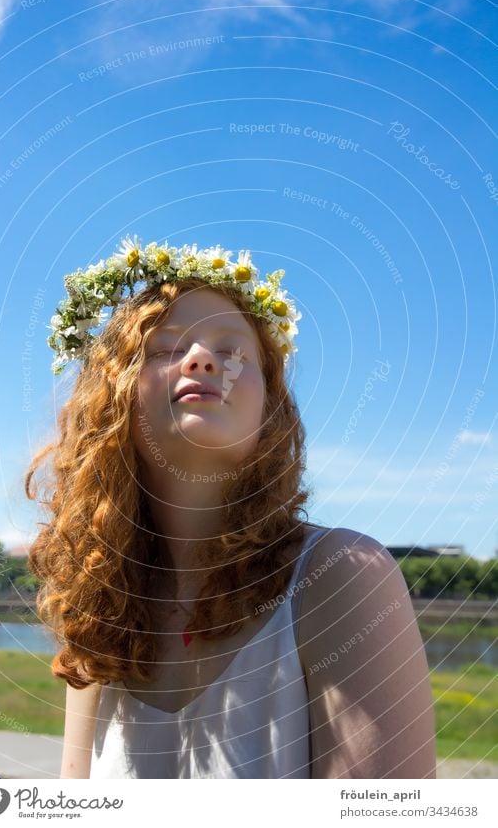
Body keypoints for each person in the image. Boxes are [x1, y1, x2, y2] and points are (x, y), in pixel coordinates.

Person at [25, 236, 436, 779]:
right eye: (166, 347)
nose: (201, 358)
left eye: (234, 351)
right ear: (112, 397)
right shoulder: (102, 616)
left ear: (271, 407)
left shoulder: (342, 576)